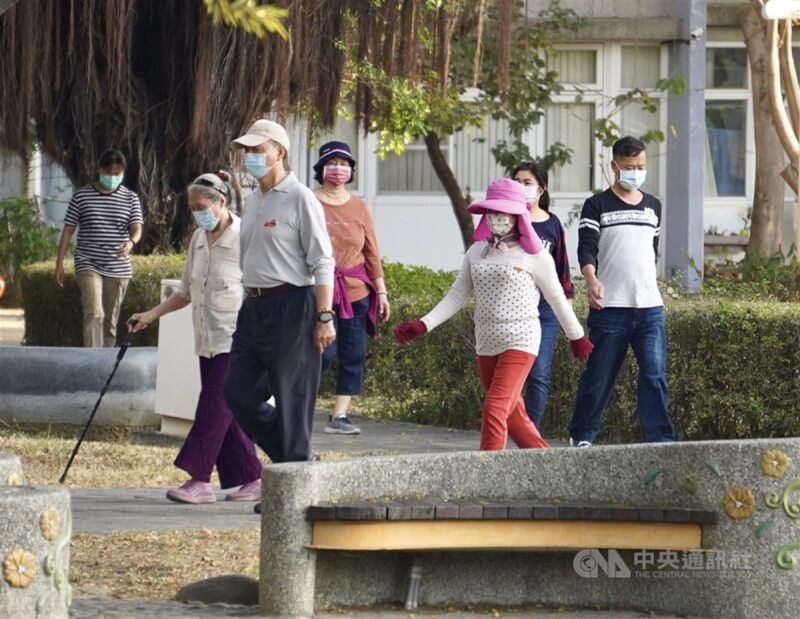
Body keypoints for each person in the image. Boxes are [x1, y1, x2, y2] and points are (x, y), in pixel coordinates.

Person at [394, 178, 593, 451]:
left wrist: (576, 336)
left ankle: (486, 478)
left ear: (518, 216)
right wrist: (423, 324)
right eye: (493, 212)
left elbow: (557, 298)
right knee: (512, 414)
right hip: (486, 342)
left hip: (521, 340)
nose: (498, 218)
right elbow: (457, 295)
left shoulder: (536, 255)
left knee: (495, 408)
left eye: (504, 212)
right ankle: (547, 465)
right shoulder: (476, 251)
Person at [128, 171, 262, 504]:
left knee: (213, 407)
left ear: (222, 201)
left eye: (202, 206)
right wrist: (150, 315)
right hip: (206, 339)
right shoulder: (198, 239)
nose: (197, 213)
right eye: (192, 208)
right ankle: (252, 477)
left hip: (239, 341)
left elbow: (265, 290)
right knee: (223, 410)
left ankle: (199, 479)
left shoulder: (248, 237)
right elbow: (186, 291)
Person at [223, 119, 335, 465]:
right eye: (248, 151)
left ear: (279, 152)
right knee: (236, 392)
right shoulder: (254, 199)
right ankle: (297, 464)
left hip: (293, 305)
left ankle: (293, 476)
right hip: (254, 306)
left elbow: (322, 260)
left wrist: (324, 317)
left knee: (292, 401)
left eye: (259, 150)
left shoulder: (300, 198)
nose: (251, 157)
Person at [569, 136, 676, 447]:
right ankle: (582, 436)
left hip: (649, 308)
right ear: (614, 166)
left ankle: (660, 441)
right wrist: (591, 279)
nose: (636, 172)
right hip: (610, 307)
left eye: (641, 166)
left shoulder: (653, 205)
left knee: (654, 375)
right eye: (629, 167)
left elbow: (650, 250)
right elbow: (586, 248)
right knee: (599, 376)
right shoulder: (596, 205)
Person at [312, 141, 390, 436]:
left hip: (357, 292)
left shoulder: (359, 206)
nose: (339, 169)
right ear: (321, 168)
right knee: (322, 353)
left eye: (345, 164)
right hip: (320, 291)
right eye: (333, 163)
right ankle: (298, 405)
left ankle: (340, 415)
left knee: (353, 352)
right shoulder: (309, 201)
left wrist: (381, 291)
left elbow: (371, 252)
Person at [54, 149, 143, 347]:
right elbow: (68, 230)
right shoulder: (82, 197)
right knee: (95, 313)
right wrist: (59, 263)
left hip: (118, 264)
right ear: (99, 169)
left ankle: (105, 364)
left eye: (117, 173)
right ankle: (92, 362)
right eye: (109, 172)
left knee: (110, 320)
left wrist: (131, 243)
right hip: (88, 261)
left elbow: (137, 229)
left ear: (123, 173)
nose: (112, 177)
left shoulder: (130, 198)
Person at [511, 161, 574, 430]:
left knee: (539, 374)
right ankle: (508, 426)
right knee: (513, 376)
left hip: (545, 311)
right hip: (512, 310)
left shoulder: (552, 224)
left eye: (527, 183)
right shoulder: (506, 220)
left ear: (541, 189)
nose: (522, 187)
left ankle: (531, 432)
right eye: (516, 182)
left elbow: (562, 268)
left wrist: (567, 307)